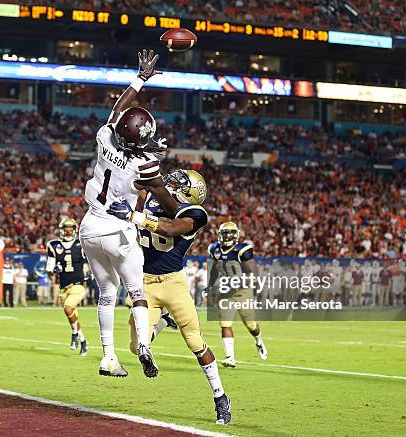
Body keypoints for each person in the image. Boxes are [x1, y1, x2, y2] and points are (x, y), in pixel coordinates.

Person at [78, 49, 178, 378]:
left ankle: (108, 357)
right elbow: (165, 199)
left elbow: (118, 111)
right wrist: (184, 211)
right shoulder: (145, 165)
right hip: (118, 231)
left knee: (106, 293)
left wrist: (141, 78)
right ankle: (145, 347)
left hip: (90, 226)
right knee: (136, 292)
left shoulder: (105, 137)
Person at [108, 169, 231, 425]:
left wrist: (135, 216)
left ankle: (220, 396)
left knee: (195, 342)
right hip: (144, 283)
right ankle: (163, 322)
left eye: (181, 182)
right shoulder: (154, 198)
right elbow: (142, 194)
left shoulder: (195, 214)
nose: (173, 181)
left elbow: (170, 228)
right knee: (136, 347)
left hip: (174, 284)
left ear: (190, 192)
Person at [208, 221, 268, 368]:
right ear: (220, 235)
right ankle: (230, 357)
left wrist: (237, 282)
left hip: (243, 291)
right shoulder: (214, 248)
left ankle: (259, 341)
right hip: (225, 292)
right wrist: (210, 286)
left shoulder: (242, 250)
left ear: (236, 235)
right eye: (225, 233)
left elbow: (253, 272)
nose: (228, 236)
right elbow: (215, 269)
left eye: (230, 233)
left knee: (251, 325)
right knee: (225, 324)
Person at [46, 218, 89, 356]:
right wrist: (54, 270)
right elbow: (49, 269)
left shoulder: (81, 244)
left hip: (78, 285)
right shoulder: (53, 245)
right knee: (73, 315)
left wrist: (90, 272)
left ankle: (74, 334)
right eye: (66, 229)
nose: (68, 232)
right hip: (63, 287)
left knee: (68, 308)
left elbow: (93, 261)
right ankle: (83, 341)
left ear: (75, 230)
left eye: (71, 229)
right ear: (62, 230)